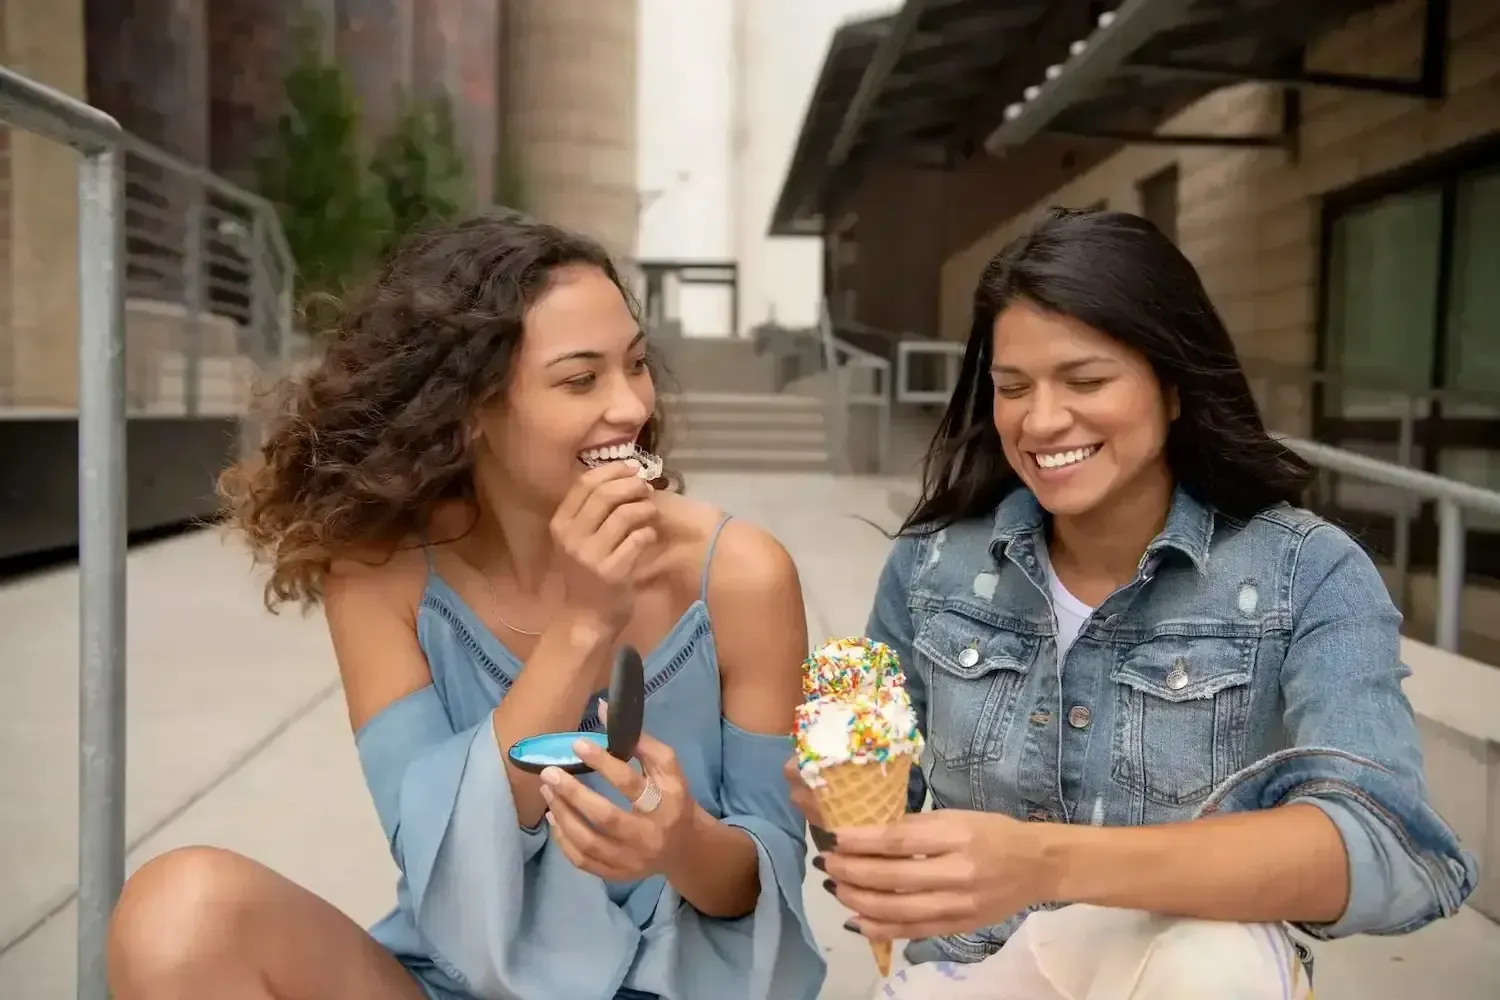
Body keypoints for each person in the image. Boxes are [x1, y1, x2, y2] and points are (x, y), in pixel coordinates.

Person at [106, 213, 825, 1000]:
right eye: (580, 380)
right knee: (178, 914)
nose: (629, 406)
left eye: (636, 364)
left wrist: (679, 842)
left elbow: (762, 887)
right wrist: (585, 623)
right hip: (463, 980)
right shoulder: (381, 576)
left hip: (679, 988)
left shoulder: (739, 576)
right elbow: (442, 867)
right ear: (471, 408)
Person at [790, 207, 1478, 981]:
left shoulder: (1305, 573)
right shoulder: (932, 563)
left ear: (1173, 387)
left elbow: (1386, 846)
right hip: (965, 977)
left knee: (1216, 957)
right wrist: (836, 807)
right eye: (1013, 387)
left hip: (1179, 977)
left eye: (1086, 381)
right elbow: (874, 825)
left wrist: (1047, 861)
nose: (1042, 420)